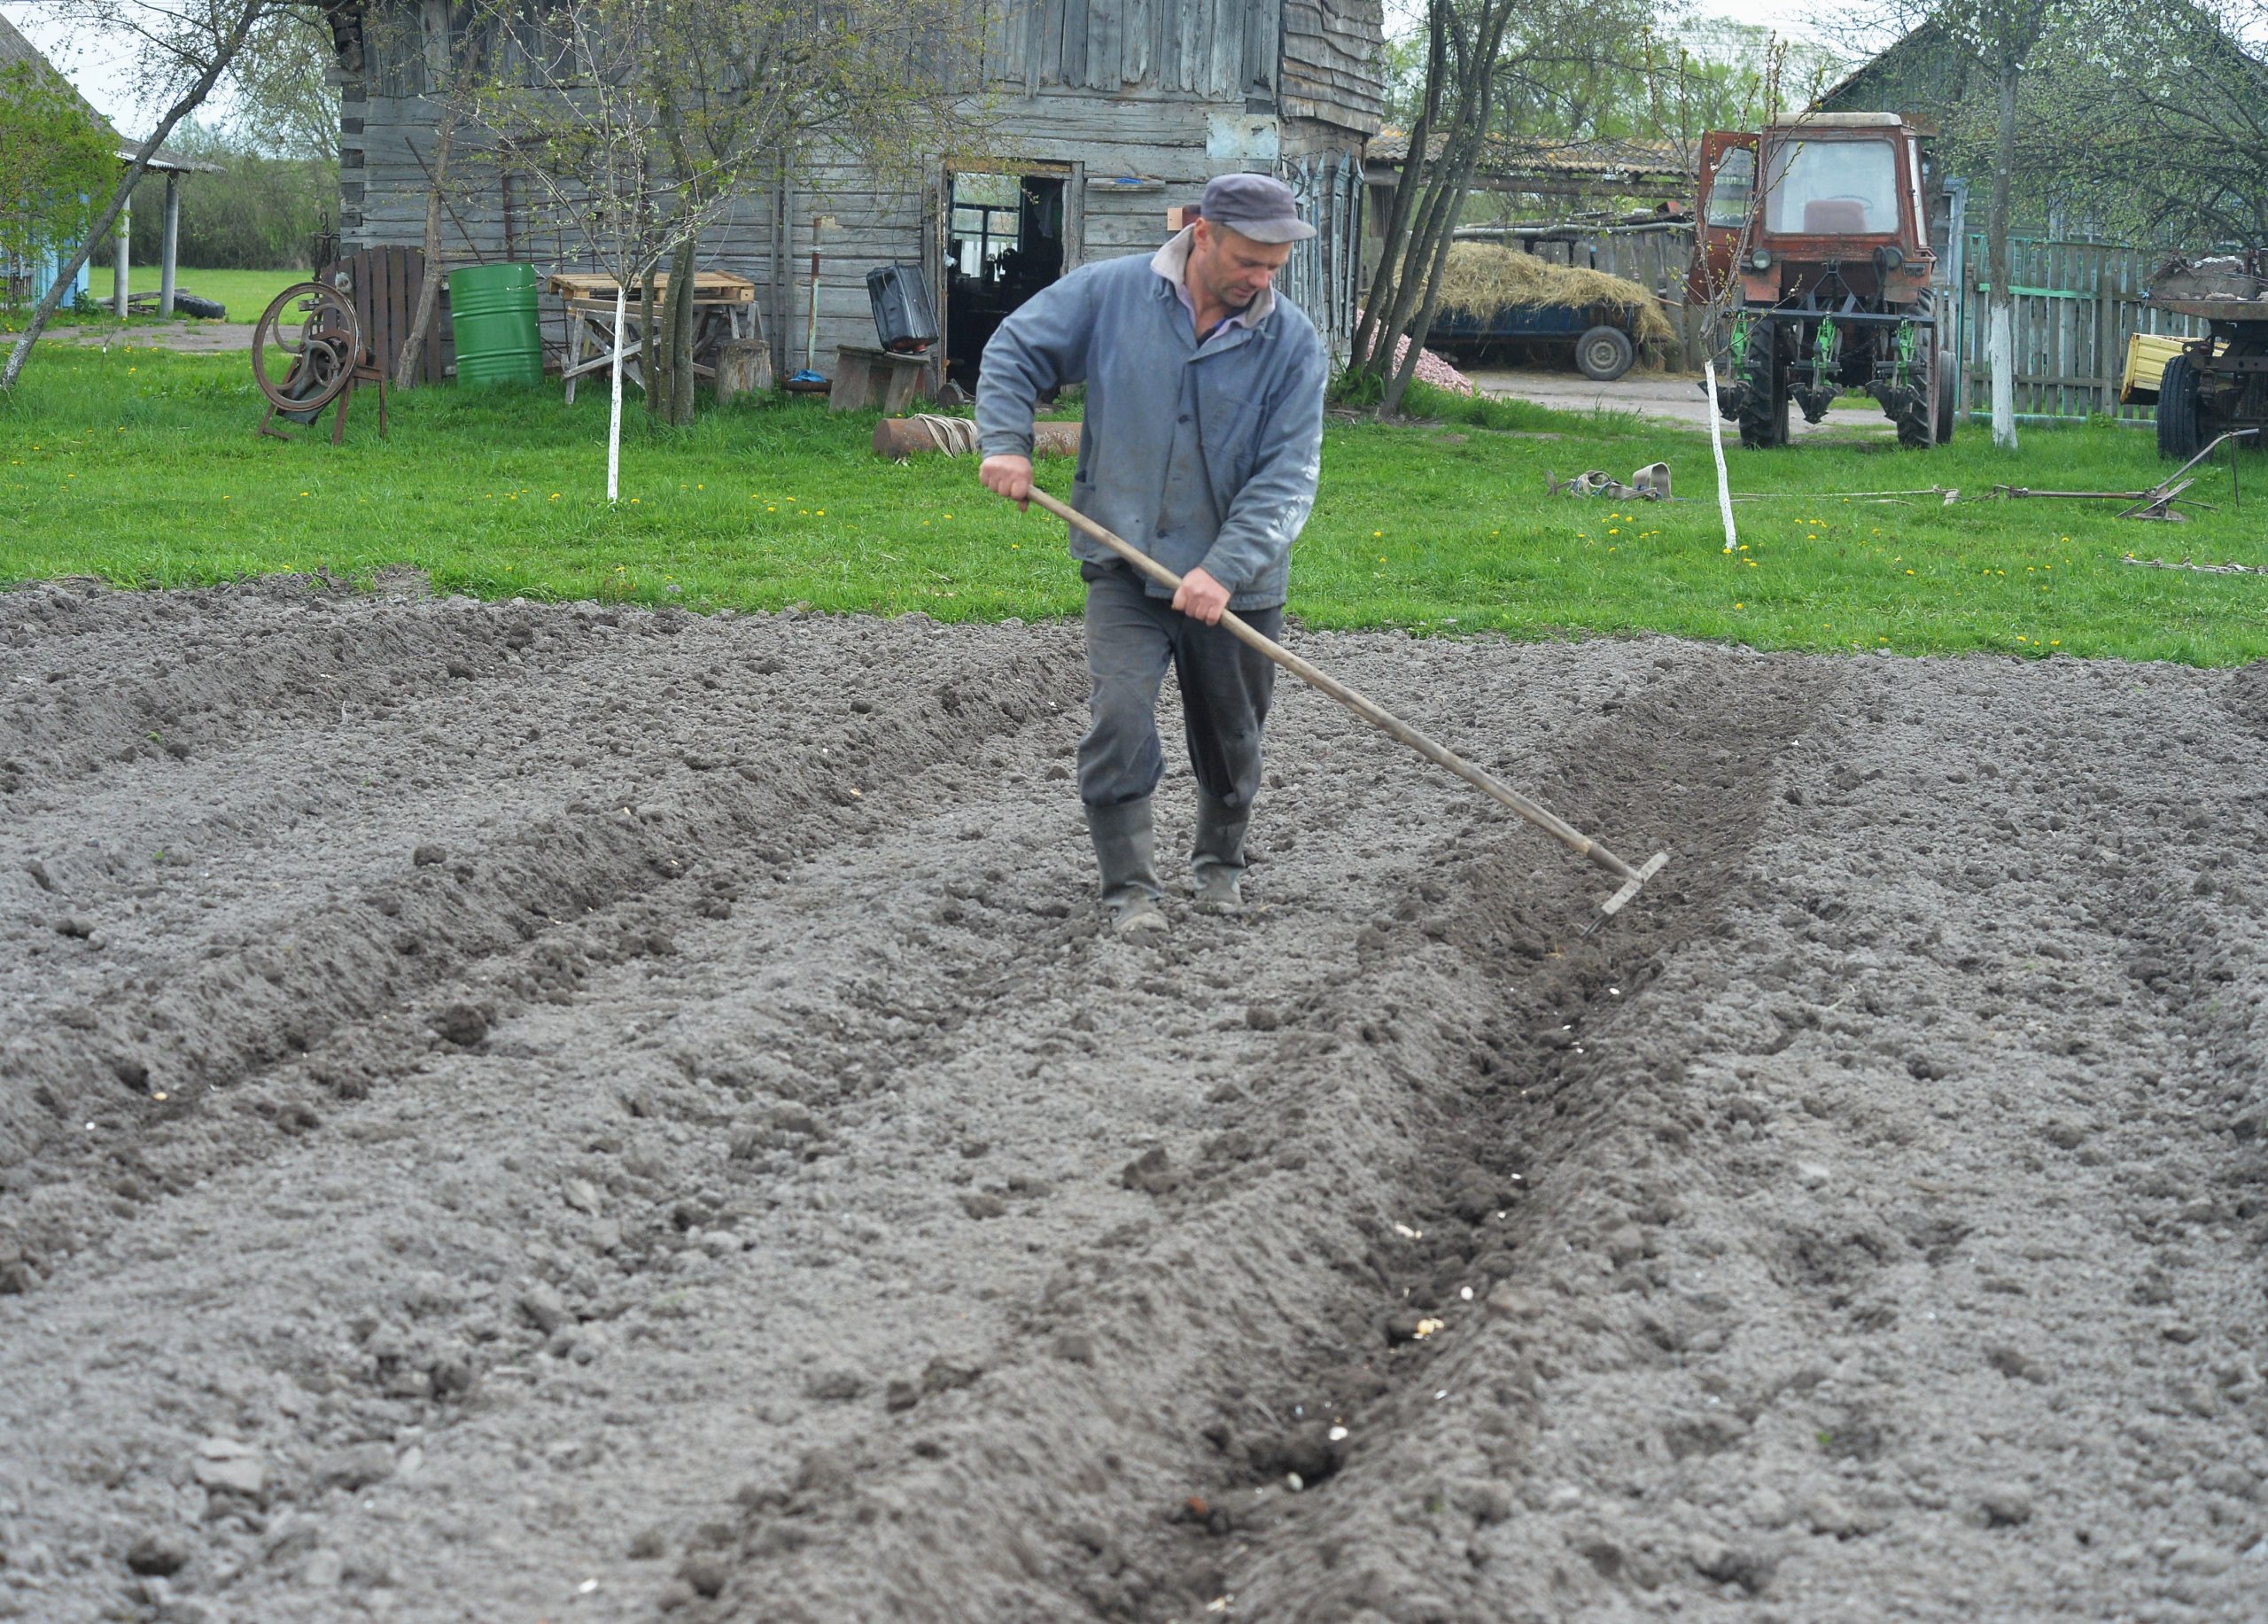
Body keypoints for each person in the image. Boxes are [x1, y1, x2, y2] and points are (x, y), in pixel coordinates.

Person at [976, 174, 1329, 937]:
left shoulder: (1293, 344)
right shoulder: (1112, 295)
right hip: (1125, 563)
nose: (1260, 279)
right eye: (1247, 260)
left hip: (1237, 584)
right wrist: (1006, 442)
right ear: (1202, 234)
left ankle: (1220, 867)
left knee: (1233, 739)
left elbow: (1287, 477)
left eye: (1274, 266)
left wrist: (1223, 570)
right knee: (1121, 719)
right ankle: (1129, 890)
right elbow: (1015, 348)